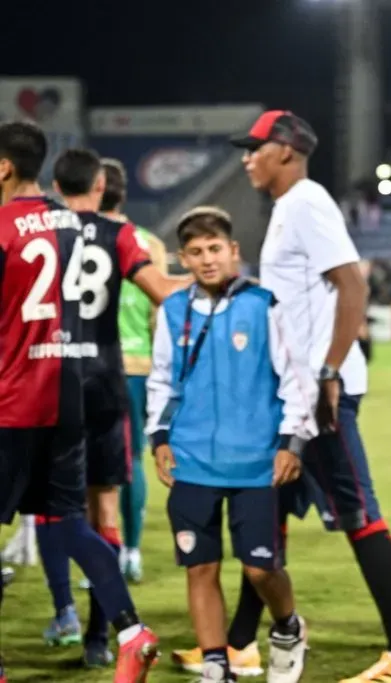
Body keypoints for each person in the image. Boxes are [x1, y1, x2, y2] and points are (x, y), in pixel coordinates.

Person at [172, 109, 391, 682]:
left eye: (255, 147)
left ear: (285, 150)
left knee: (360, 515)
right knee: (268, 512)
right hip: (300, 392)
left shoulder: (308, 202)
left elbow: (352, 285)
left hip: (322, 395)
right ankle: (239, 643)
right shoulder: (289, 208)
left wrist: (329, 373)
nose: (246, 158)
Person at [0, 121, 160, 683]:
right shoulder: (80, 225)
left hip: (12, 398)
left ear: (3, 167)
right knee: (67, 521)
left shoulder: (2, 226)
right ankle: (130, 630)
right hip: (69, 395)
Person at [147, 206, 315, 683]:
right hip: (192, 458)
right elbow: (162, 381)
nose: (207, 260)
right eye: (196, 252)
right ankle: (216, 663)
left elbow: (295, 381)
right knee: (200, 567)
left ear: (233, 251)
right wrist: (159, 438)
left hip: (257, 461)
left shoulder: (264, 304)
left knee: (261, 570)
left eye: (215, 249)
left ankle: (287, 627)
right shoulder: (173, 310)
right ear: (182, 258)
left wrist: (290, 443)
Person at [39, 148, 183, 667]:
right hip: (109, 379)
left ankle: (63, 610)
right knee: (106, 509)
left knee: (49, 511)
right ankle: (103, 639)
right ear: (101, 185)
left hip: (45, 380)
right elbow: (164, 294)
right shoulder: (128, 238)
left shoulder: (38, 232)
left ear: (55, 184)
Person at [103, 157, 168, 583]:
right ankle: (130, 550)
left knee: (89, 467)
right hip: (139, 367)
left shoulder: (75, 235)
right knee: (131, 462)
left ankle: (95, 555)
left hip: (82, 364)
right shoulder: (149, 243)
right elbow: (159, 314)